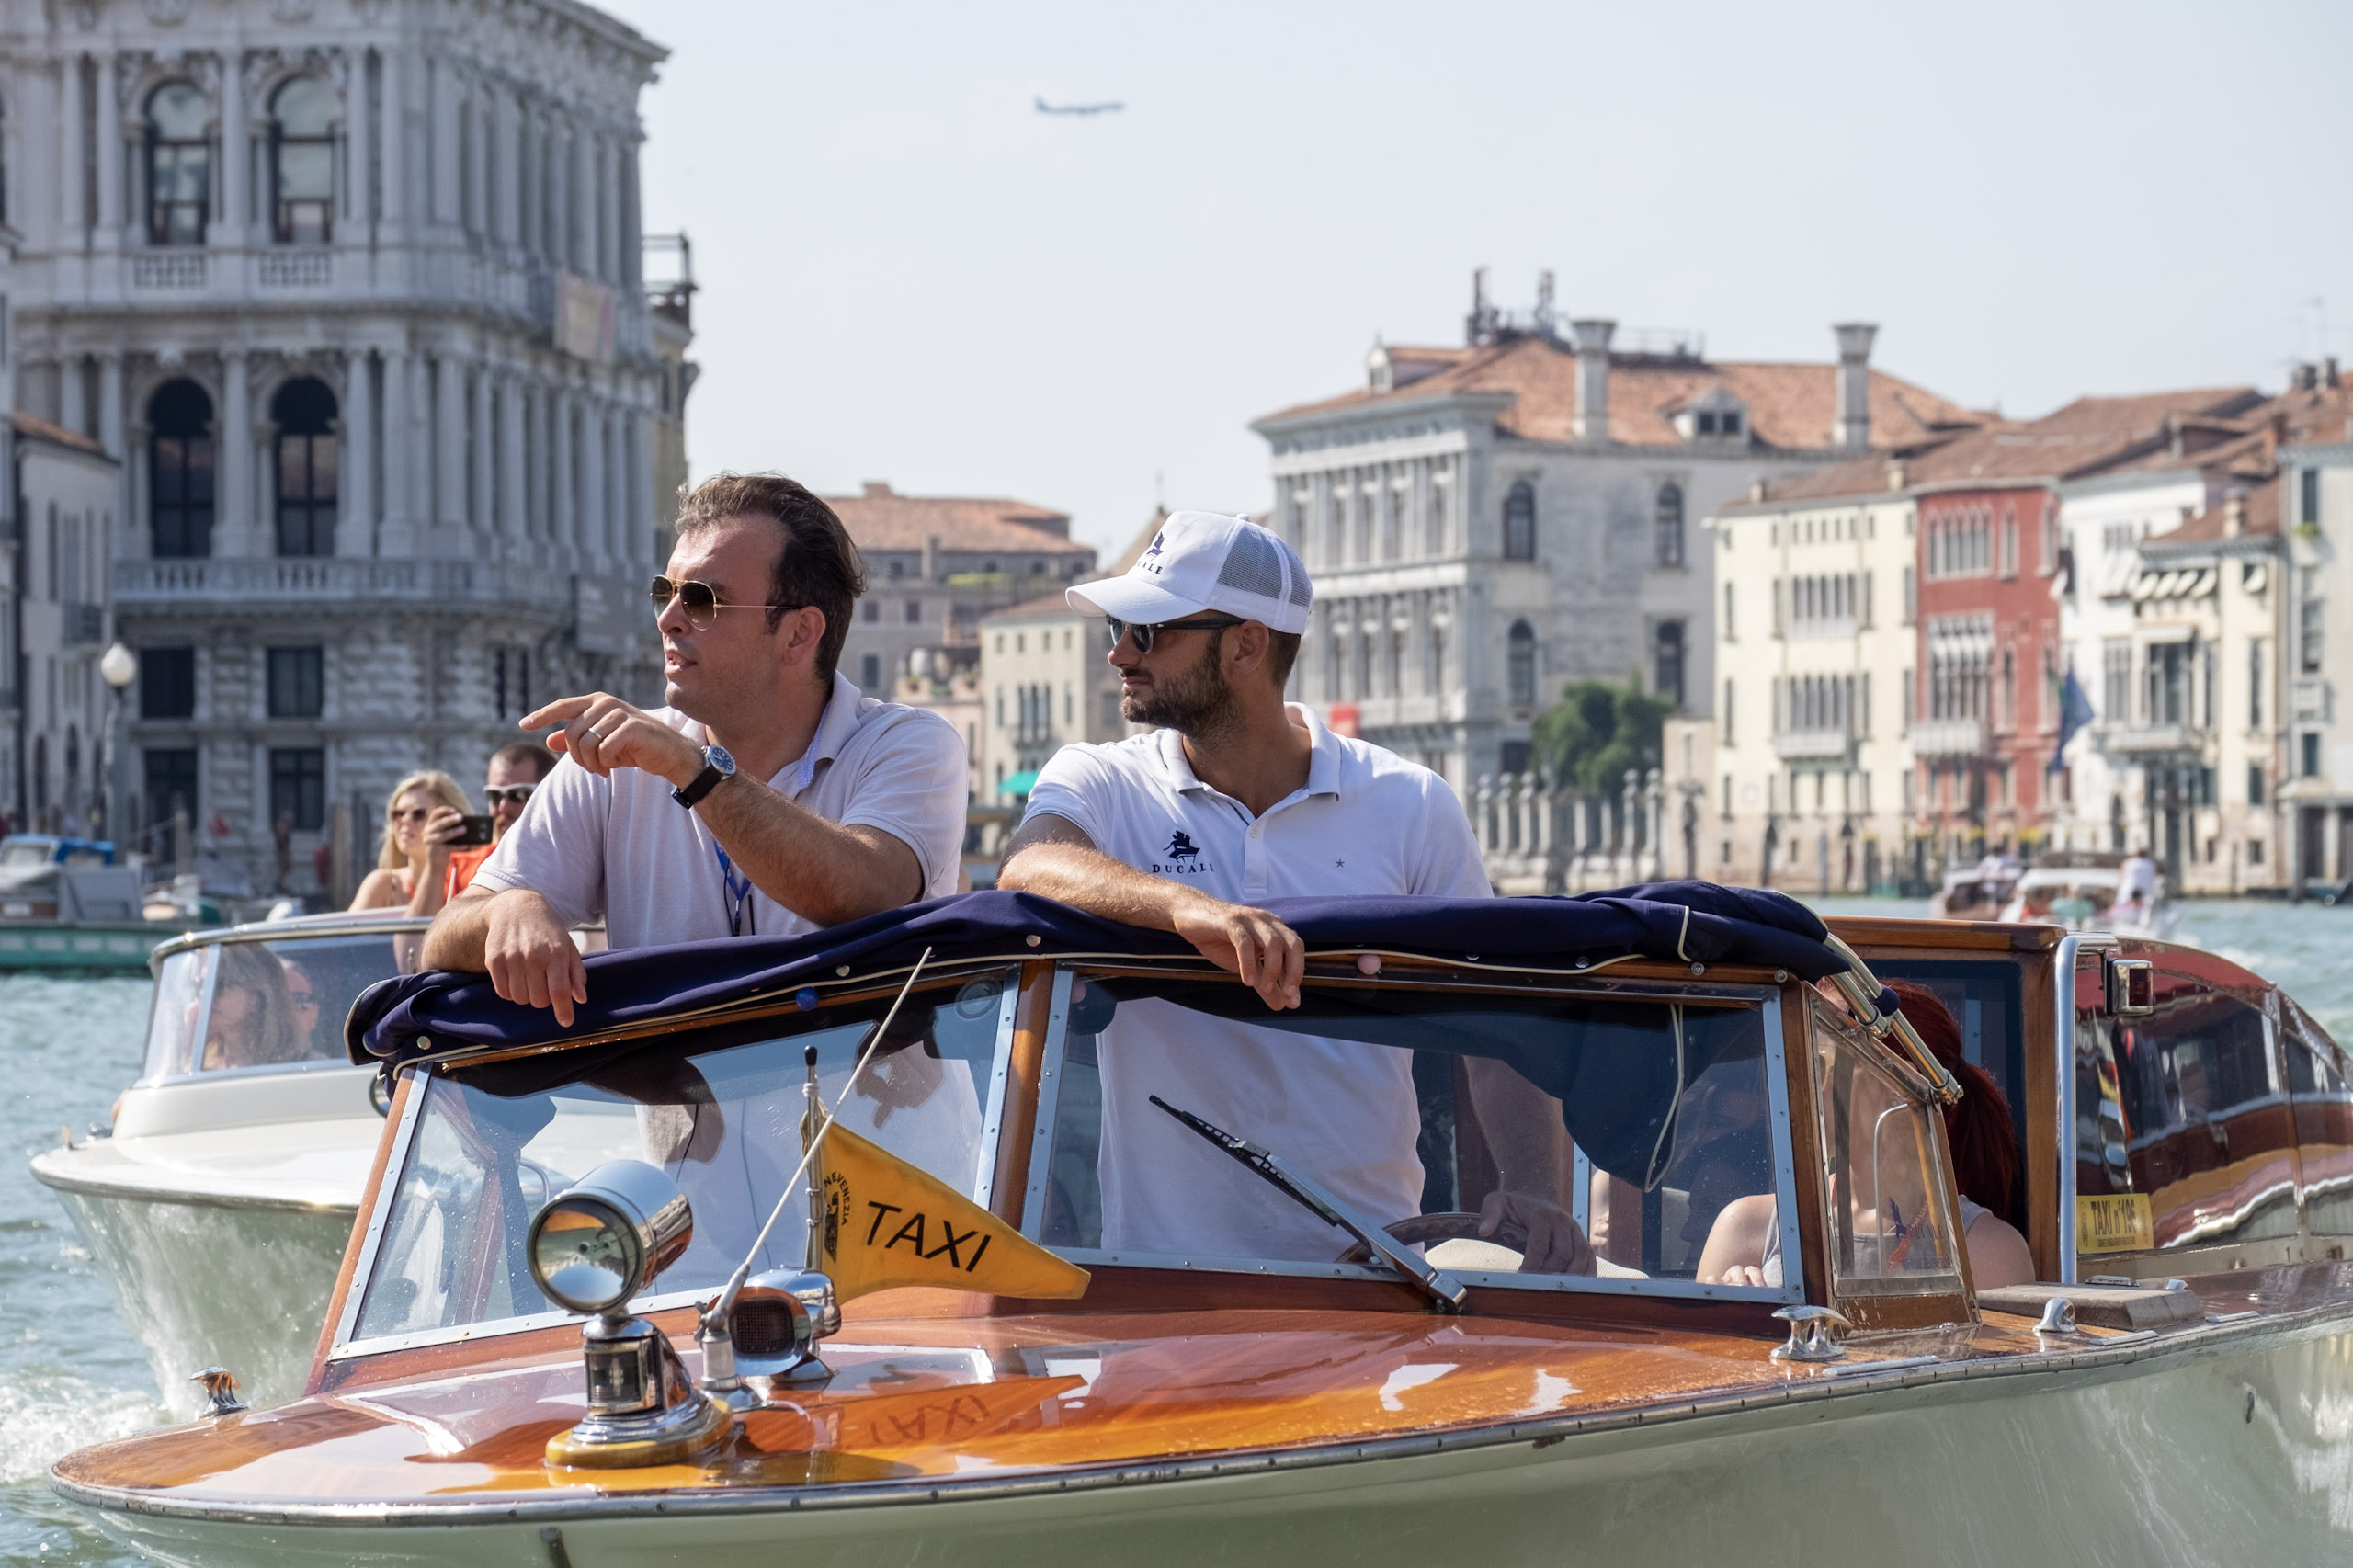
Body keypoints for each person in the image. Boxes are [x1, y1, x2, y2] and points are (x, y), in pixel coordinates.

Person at [996, 511, 1585, 1268]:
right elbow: (1031, 866)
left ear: (1246, 645)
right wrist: (1190, 911)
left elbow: (1498, 1016)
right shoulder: (1100, 779)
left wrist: (1535, 1191)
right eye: (1119, 627)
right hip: (1163, 1283)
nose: (1120, 653)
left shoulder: (1411, 803)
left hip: (1381, 1275)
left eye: (1148, 631)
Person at [421, 473, 967, 1021]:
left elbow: (865, 893)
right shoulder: (618, 762)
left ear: (799, 633)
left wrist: (694, 771)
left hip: (865, 1084)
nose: (668, 619)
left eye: (704, 600)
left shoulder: (908, 744)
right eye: (665, 593)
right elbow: (443, 938)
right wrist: (507, 909)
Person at [1698, 981, 2034, 1290]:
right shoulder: (1745, 1226)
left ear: (1900, 1087)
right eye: (1790, 1065)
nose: (1794, 1087)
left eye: (1817, 1065)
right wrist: (1736, 1317)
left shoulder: (1988, 1251)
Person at [413, 742, 560, 910]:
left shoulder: (575, 862)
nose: (503, 807)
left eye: (518, 794)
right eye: (494, 795)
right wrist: (434, 868)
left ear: (550, 794)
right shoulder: (460, 866)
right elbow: (417, 928)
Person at [349, 771, 472, 913]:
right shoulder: (383, 885)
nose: (405, 820)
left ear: (451, 820)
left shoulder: (471, 881)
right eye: (398, 814)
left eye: (418, 814)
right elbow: (349, 928)